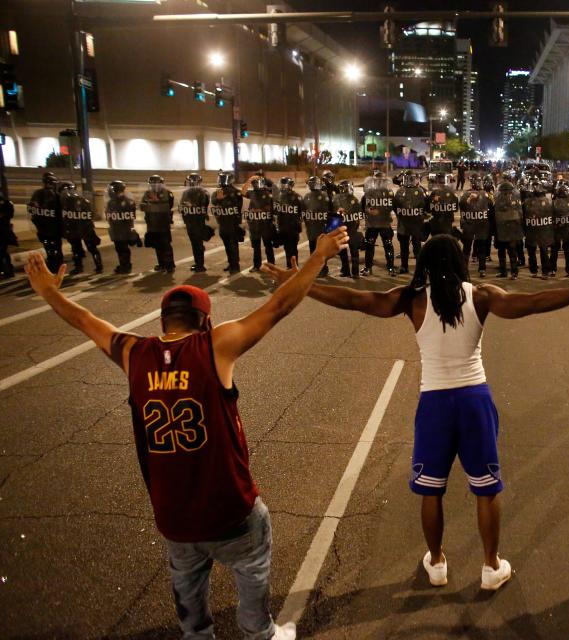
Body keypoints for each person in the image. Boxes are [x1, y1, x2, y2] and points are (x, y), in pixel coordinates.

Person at [24, 227, 350, 640]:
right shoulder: (214, 347)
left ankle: (198, 634)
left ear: (162, 321)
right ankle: (259, 632)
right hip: (230, 507)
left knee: (189, 595)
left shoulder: (133, 354)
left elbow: (87, 321)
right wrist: (318, 255)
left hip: (174, 514)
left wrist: (49, 293)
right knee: (252, 572)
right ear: (206, 320)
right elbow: (279, 306)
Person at [262, 234, 569, 593]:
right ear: (459, 261)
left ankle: (436, 563)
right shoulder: (482, 296)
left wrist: (300, 282)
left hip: (435, 404)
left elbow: (355, 300)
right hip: (474, 401)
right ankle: (490, 566)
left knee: (431, 491)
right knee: (486, 491)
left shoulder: (411, 300)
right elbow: (533, 303)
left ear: (423, 263)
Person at [60, 180, 102, 275]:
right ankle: (98, 266)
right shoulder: (83, 201)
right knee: (90, 248)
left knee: (76, 248)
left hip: (75, 229)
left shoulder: (65, 203)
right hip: (85, 228)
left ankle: (79, 267)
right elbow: (93, 215)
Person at [27, 171, 64, 272]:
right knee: (56, 247)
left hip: (43, 228)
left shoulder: (37, 194)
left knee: (48, 247)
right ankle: (57, 265)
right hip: (53, 228)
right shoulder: (56, 196)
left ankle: (52, 263)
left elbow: (31, 208)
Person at [361, 170, 396, 276]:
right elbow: (363, 207)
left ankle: (386, 267)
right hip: (379, 223)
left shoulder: (371, 193)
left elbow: (363, 207)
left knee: (379, 245)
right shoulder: (388, 193)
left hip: (378, 223)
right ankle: (388, 268)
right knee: (380, 245)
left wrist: (372, 211)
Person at [459, 173, 493, 277]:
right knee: (480, 248)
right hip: (481, 225)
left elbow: (461, 207)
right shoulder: (485, 194)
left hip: (470, 225)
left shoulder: (465, 194)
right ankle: (482, 269)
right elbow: (491, 207)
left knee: (467, 249)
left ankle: (465, 269)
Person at [394, 172, 428, 275]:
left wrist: (402, 215)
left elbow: (395, 208)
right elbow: (426, 207)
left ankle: (405, 267)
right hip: (414, 224)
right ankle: (417, 268)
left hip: (406, 224)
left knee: (407, 247)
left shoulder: (400, 191)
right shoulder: (420, 191)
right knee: (414, 247)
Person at [212, 172, 245, 274]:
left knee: (232, 245)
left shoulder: (234, 192)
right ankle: (231, 264)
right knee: (229, 245)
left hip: (230, 223)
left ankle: (235, 266)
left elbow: (238, 206)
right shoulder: (220, 192)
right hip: (224, 222)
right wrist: (218, 199)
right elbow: (214, 201)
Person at [141, 174, 176, 273]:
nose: (154, 186)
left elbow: (169, 205)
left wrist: (156, 202)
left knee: (165, 244)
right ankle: (161, 264)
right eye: (152, 184)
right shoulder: (147, 194)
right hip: (152, 223)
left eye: (156, 184)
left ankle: (169, 265)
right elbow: (142, 206)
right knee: (156, 245)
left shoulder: (167, 193)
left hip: (163, 223)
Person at [104, 180, 140, 275]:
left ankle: (126, 266)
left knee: (123, 248)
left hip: (124, 228)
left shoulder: (127, 202)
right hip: (116, 228)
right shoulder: (112, 202)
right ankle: (123, 264)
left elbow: (130, 216)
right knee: (119, 248)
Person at [522, 178, 555, 278]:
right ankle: (539, 271)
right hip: (536, 231)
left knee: (541, 252)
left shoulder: (545, 201)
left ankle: (541, 271)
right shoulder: (546, 201)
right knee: (536, 252)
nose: (535, 188)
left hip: (539, 231)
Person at [492, 177, 524, 280]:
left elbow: (493, 216)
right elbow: (520, 216)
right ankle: (514, 273)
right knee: (512, 253)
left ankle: (503, 272)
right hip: (512, 232)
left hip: (501, 231)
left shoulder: (497, 200)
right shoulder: (516, 200)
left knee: (502, 254)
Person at [243, 175, 276, 271]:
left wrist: (259, 210)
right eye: (253, 183)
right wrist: (249, 180)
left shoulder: (267, 193)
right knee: (256, 247)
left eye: (255, 183)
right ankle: (256, 265)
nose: (254, 185)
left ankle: (271, 266)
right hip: (255, 225)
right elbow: (243, 192)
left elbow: (271, 207)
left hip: (265, 225)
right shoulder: (252, 193)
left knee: (268, 247)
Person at [334, 179, 364, 278]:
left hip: (343, 229)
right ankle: (354, 273)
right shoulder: (354, 199)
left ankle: (346, 271)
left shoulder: (336, 199)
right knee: (353, 252)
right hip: (351, 229)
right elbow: (359, 217)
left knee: (344, 252)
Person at [551, 182, 569, 278]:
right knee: (567, 252)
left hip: (557, 230)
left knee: (554, 251)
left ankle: (553, 269)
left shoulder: (554, 203)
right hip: (568, 231)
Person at [274, 177, 303, 269]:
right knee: (288, 248)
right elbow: (275, 212)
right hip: (286, 228)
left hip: (291, 228)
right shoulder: (280, 196)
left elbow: (303, 212)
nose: (281, 185)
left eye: (283, 183)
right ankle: (290, 267)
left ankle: (294, 268)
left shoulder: (296, 197)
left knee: (292, 249)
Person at [427, 173, 458, 238]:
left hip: (436, 224)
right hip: (447, 224)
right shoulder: (451, 192)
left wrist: (434, 203)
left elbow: (428, 209)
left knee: (436, 242)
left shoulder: (434, 193)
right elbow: (456, 208)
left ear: (437, 181)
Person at [0, 191, 16, 278]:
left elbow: (8, 215)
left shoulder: (6, 203)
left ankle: (8, 270)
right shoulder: (7, 203)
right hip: (4, 231)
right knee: (3, 252)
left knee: (2, 252)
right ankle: (6, 269)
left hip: (3, 232)